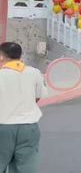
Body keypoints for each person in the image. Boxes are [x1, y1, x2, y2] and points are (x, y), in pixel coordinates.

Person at [0, 42, 46, 173]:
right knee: (26, 167)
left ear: (1, 57)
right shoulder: (34, 73)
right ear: (20, 56)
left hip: (3, 127)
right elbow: (38, 97)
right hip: (28, 127)